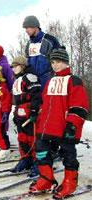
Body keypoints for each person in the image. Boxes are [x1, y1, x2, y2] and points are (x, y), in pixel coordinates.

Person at [28, 47, 89, 199]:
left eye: (59, 62)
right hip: (46, 126)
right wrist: (38, 114)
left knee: (68, 154)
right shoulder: (50, 81)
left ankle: (70, 182)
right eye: (53, 62)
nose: (55, 65)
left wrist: (72, 124)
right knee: (41, 150)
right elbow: (44, 103)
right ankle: (47, 179)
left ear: (66, 62)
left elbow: (80, 106)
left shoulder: (74, 80)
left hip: (65, 127)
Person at [10, 56, 41, 177]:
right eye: (12, 67)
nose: (13, 69)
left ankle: (37, 162)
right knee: (22, 137)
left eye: (15, 66)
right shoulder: (17, 79)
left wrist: (34, 111)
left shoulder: (30, 77)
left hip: (29, 112)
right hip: (20, 113)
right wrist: (15, 115)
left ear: (22, 66)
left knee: (32, 138)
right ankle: (25, 158)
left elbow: (36, 95)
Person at [23, 15, 61, 90]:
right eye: (25, 28)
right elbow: (27, 62)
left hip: (48, 81)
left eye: (27, 27)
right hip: (33, 83)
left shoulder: (50, 40)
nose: (26, 30)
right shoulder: (28, 44)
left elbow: (60, 59)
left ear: (35, 26)